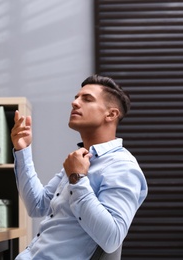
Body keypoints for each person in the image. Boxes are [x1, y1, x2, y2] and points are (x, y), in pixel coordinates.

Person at [10, 74, 148, 259]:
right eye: (76, 97)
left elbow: (112, 238)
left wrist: (78, 179)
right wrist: (23, 149)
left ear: (111, 114)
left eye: (86, 99)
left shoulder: (122, 167)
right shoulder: (80, 159)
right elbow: (37, 205)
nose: (74, 103)